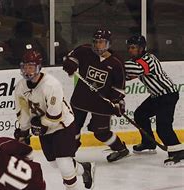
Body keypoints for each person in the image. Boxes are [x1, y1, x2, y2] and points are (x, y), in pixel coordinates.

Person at [14, 48, 95, 190]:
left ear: (38, 67)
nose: (27, 71)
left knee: (64, 163)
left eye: (31, 67)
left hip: (62, 125)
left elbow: (55, 115)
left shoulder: (51, 85)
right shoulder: (20, 87)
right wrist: (24, 131)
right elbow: (23, 111)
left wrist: (41, 125)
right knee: (53, 163)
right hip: (44, 129)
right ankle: (84, 169)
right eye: (25, 67)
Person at [62, 28, 129, 162]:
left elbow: (119, 88)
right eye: (96, 42)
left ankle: (121, 149)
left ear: (109, 44)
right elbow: (70, 57)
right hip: (81, 99)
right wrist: (69, 63)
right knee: (72, 128)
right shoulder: (84, 51)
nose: (98, 45)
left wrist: (117, 102)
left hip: (101, 104)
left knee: (101, 133)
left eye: (102, 42)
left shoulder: (116, 63)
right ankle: (69, 153)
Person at [124, 35, 184, 167]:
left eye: (133, 47)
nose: (130, 50)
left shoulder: (147, 60)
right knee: (140, 114)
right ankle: (148, 142)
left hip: (167, 95)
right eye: (129, 48)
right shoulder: (137, 61)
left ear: (141, 48)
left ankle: (178, 153)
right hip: (157, 96)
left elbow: (134, 69)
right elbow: (128, 75)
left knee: (163, 127)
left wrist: (111, 64)